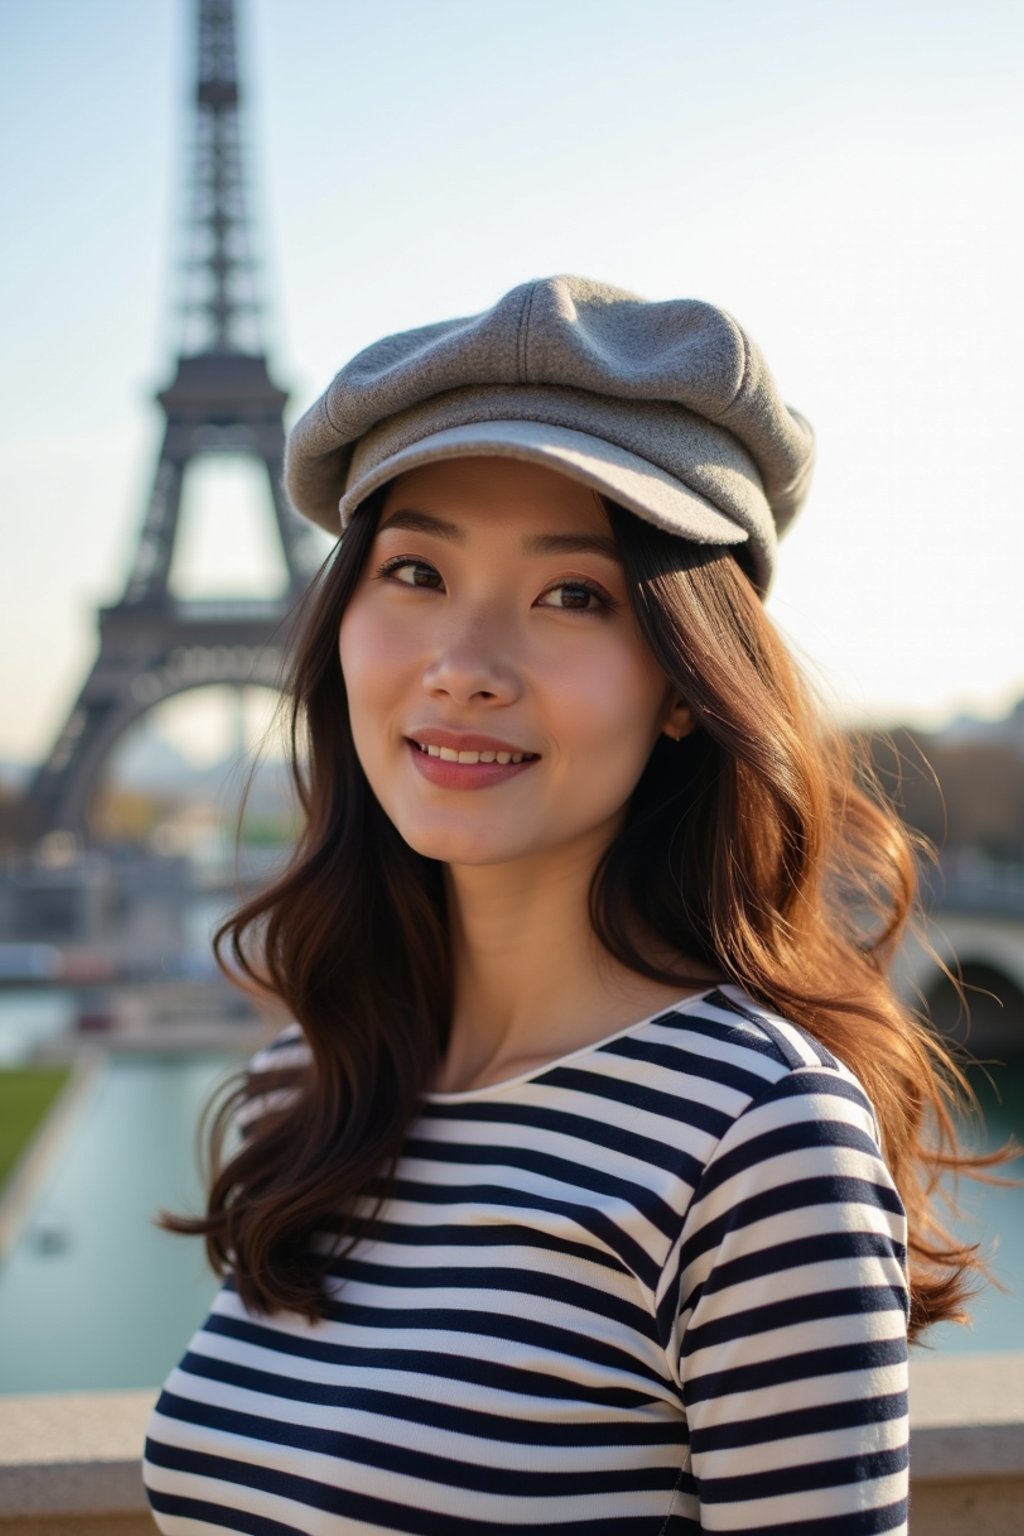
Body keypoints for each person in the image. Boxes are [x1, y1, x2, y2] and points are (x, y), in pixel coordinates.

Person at [143, 276, 1000, 1534]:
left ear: (683, 681)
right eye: (416, 570)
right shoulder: (310, 1079)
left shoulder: (755, 1146)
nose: (464, 665)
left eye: (572, 596)